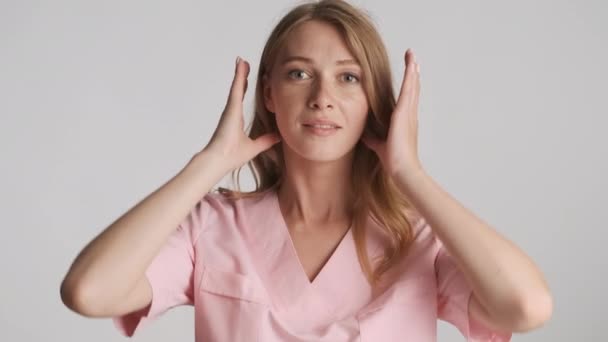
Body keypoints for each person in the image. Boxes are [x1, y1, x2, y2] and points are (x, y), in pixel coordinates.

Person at [60, 0, 553, 341]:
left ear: (374, 101)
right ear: (269, 93)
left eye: (348, 78)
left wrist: (411, 175)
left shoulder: (417, 238)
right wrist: (207, 165)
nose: (322, 98)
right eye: (299, 74)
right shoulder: (210, 227)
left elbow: (527, 307)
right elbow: (89, 291)